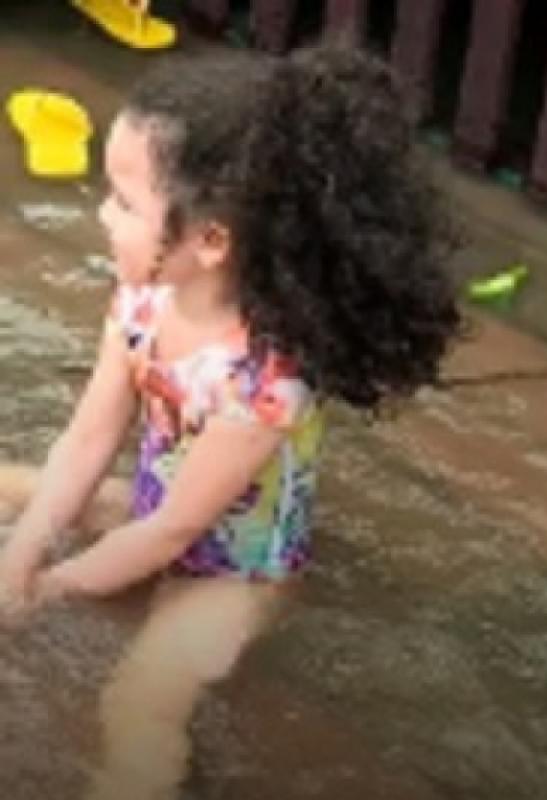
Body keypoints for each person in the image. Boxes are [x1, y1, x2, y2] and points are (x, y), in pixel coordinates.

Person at [0, 43, 460, 799]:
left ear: (210, 241)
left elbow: (172, 534)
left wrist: (45, 589)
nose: (101, 214)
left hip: (232, 573)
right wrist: (22, 551)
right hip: (152, 509)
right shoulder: (141, 300)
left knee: (137, 704)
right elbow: (86, 440)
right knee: (29, 490)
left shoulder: (266, 383)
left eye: (125, 203)